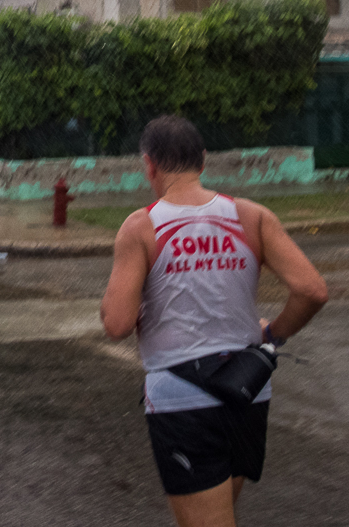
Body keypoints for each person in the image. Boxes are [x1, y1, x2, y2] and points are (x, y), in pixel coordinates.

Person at [100, 116, 329, 527]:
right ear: (202, 161)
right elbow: (312, 290)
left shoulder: (141, 227)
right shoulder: (251, 216)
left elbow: (116, 324)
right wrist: (273, 333)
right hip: (246, 387)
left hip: (181, 397)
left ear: (149, 166)